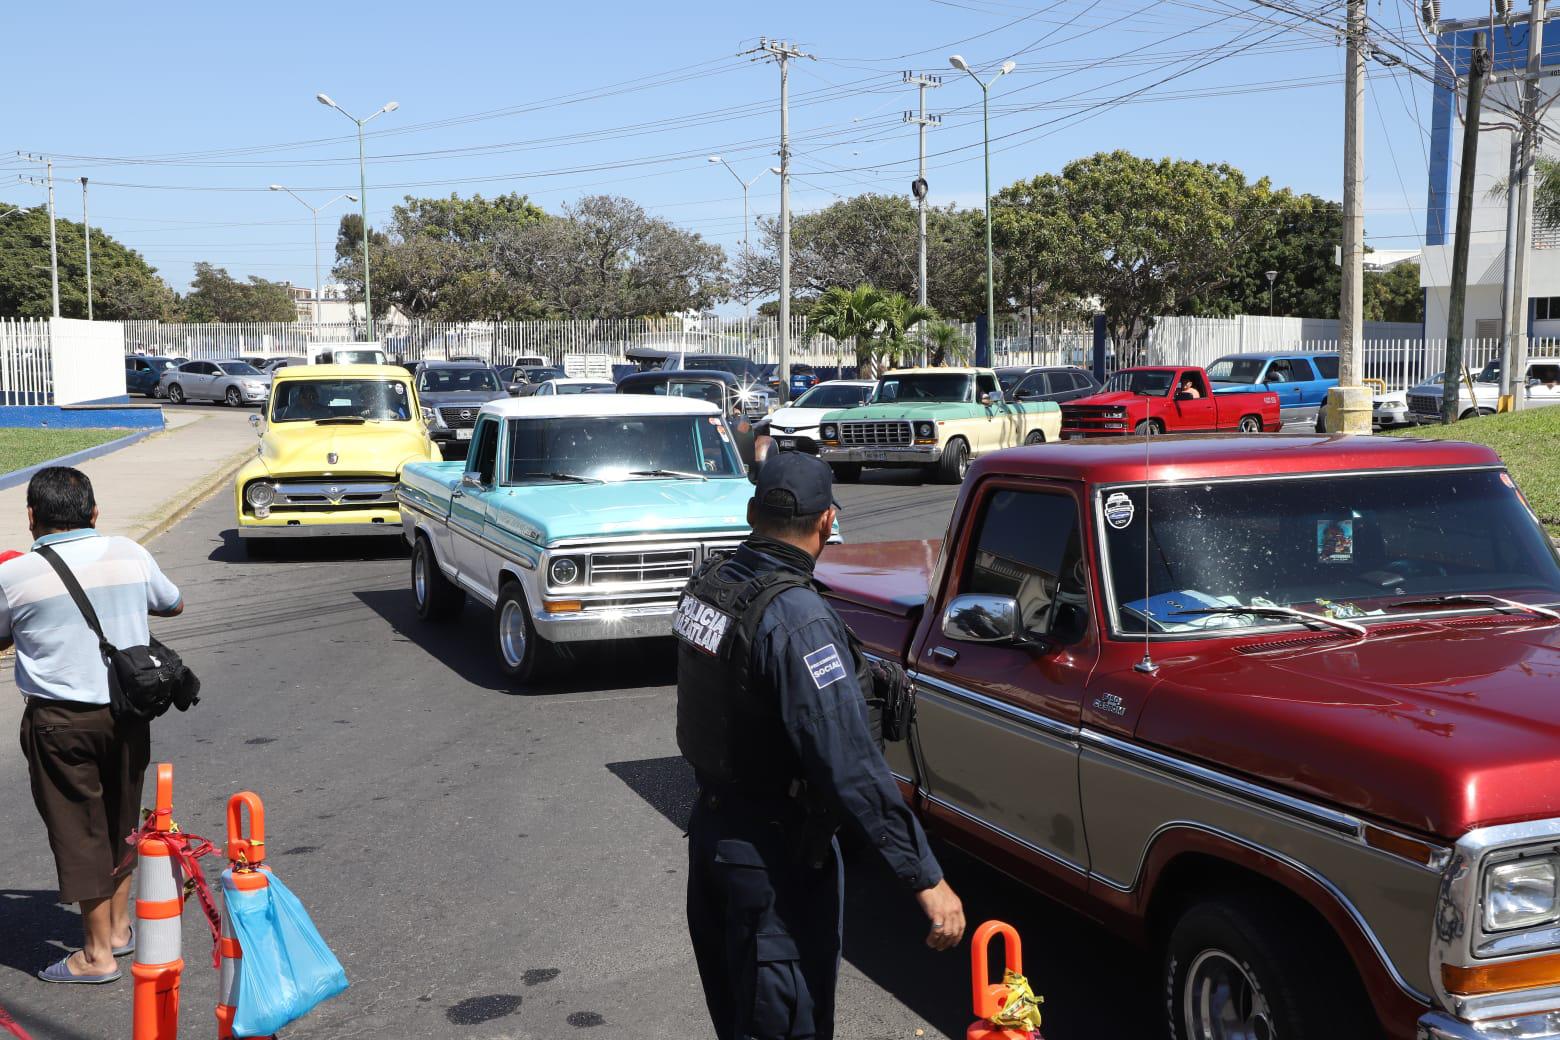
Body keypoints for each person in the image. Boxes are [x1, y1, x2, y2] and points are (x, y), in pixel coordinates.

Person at [676, 452, 965, 1040]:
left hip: (714, 844)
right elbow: (849, 762)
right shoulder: (797, 619)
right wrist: (925, 877)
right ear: (827, 522)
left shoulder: (713, 585)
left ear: (755, 512)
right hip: (774, 867)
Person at [1, 467, 183, 984]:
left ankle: (96, 955)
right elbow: (173, 603)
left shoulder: (15, 576)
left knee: (80, 831)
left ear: (31, 517)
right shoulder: (130, 552)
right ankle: (121, 929)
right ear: (95, 513)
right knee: (122, 818)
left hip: (60, 723)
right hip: (128, 712)